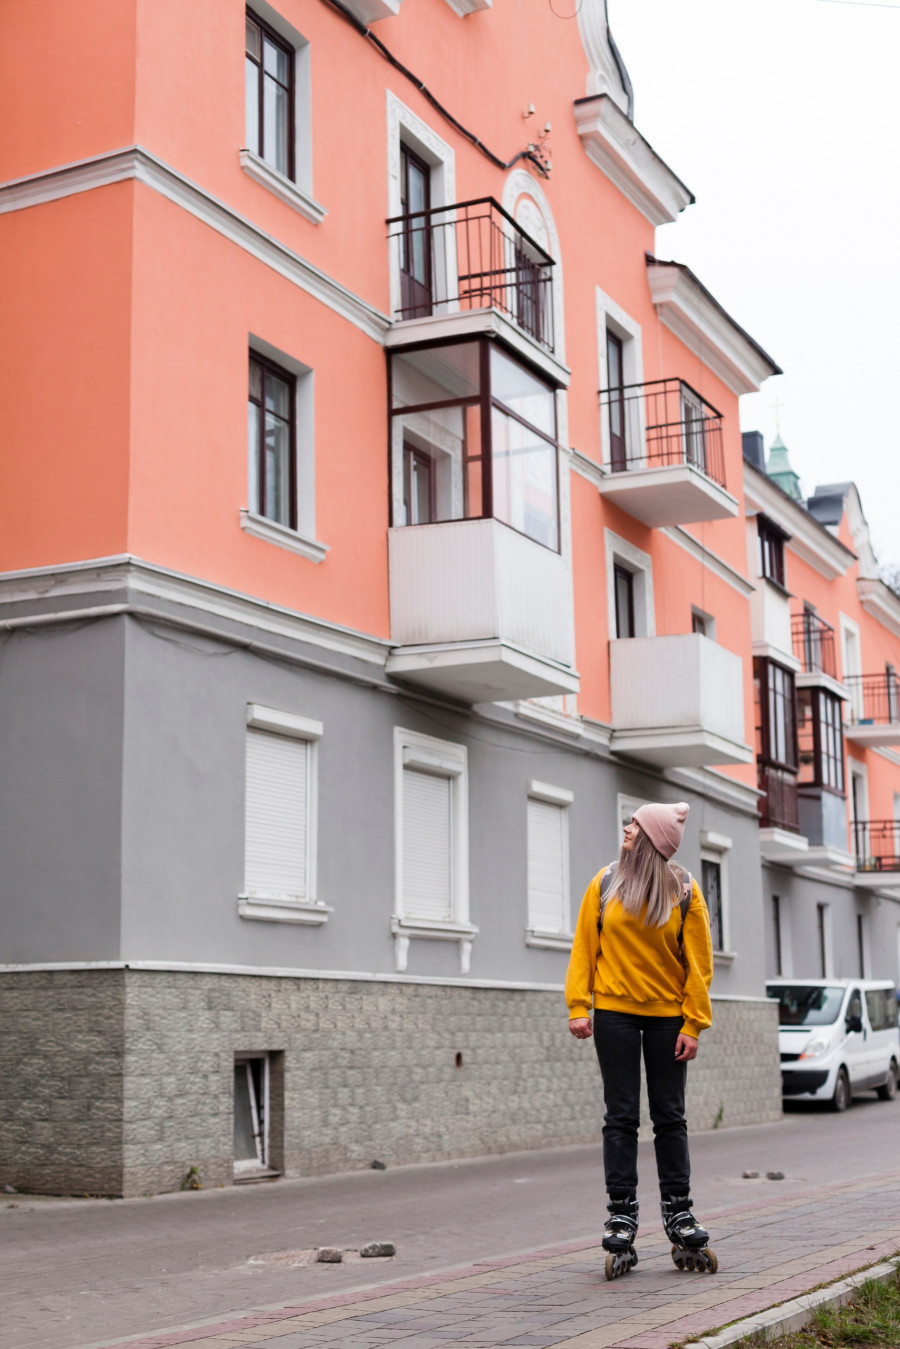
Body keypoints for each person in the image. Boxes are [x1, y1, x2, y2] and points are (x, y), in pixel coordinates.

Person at [565, 801, 715, 1275]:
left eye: (635, 824)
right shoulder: (605, 882)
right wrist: (578, 1005)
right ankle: (622, 1215)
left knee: (670, 1117)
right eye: (629, 822)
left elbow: (699, 964)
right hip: (614, 1015)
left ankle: (679, 1211)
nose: (627, 829)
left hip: (668, 1017)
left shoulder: (684, 891)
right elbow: (585, 945)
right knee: (621, 1116)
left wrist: (693, 1023)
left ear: (652, 838)